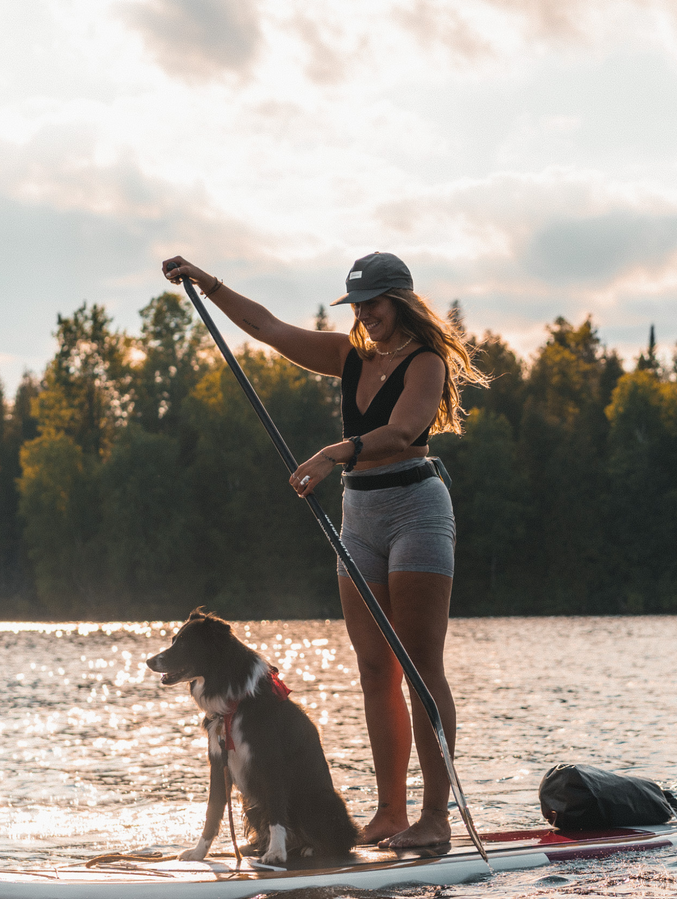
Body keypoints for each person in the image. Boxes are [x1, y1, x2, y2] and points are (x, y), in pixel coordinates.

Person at [162, 252, 484, 848]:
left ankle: (433, 818)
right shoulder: (348, 355)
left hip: (416, 508)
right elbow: (268, 328)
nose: (366, 313)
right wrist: (208, 284)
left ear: (402, 301)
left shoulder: (427, 362)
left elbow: (403, 432)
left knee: (420, 667)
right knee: (372, 669)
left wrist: (334, 451)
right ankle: (390, 814)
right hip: (358, 515)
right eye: (358, 304)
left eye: (375, 303)